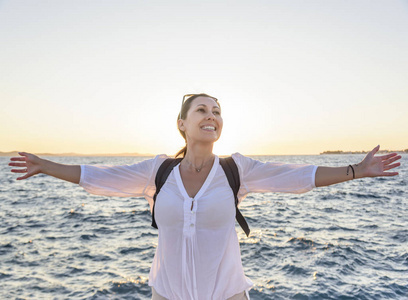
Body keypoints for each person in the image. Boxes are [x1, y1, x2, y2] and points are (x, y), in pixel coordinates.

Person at [9, 93, 401, 300]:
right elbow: (97, 175)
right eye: (202, 109)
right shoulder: (157, 171)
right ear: (183, 124)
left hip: (227, 293)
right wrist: (45, 166)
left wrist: (357, 170)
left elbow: (298, 176)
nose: (211, 114)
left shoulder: (237, 169)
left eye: (217, 110)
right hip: (167, 293)